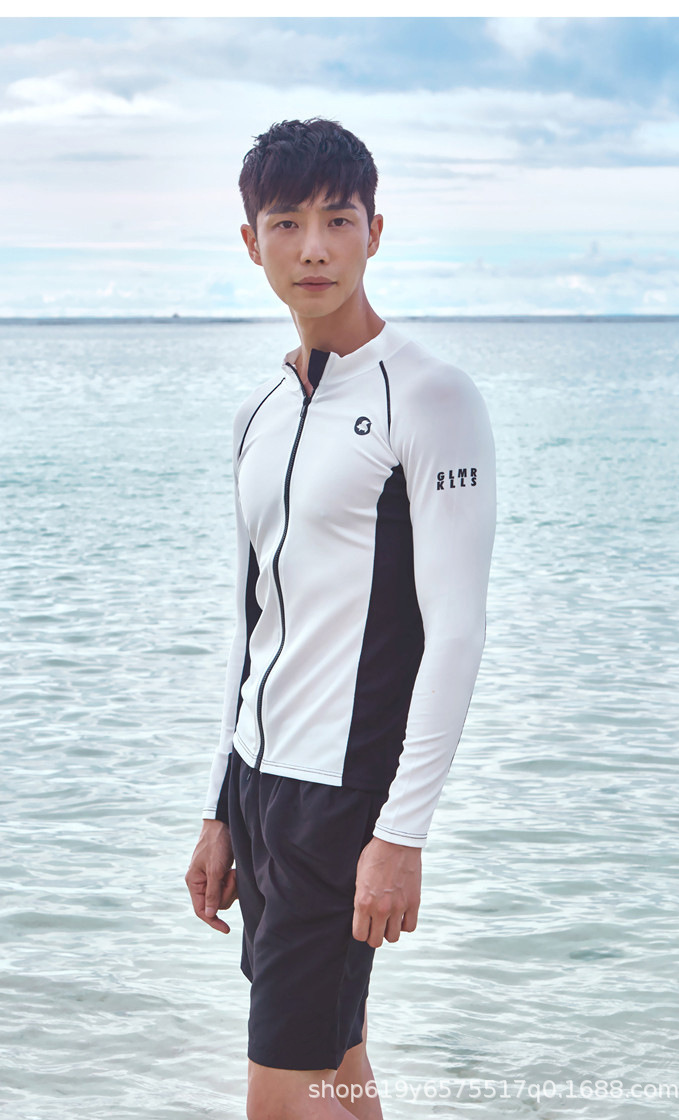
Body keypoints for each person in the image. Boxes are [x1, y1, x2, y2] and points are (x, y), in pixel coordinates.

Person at [186, 118, 496, 1120]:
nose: (313, 247)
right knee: (335, 1063)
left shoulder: (431, 396)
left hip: (345, 797)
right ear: (252, 243)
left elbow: (456, 630)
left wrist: (402, 832)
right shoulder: (260, 411)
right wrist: (220, 806)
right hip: (261, 788)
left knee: (279, 1096)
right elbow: (250, 624)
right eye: (286, 222)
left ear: (375, 232)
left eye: (338, 219)